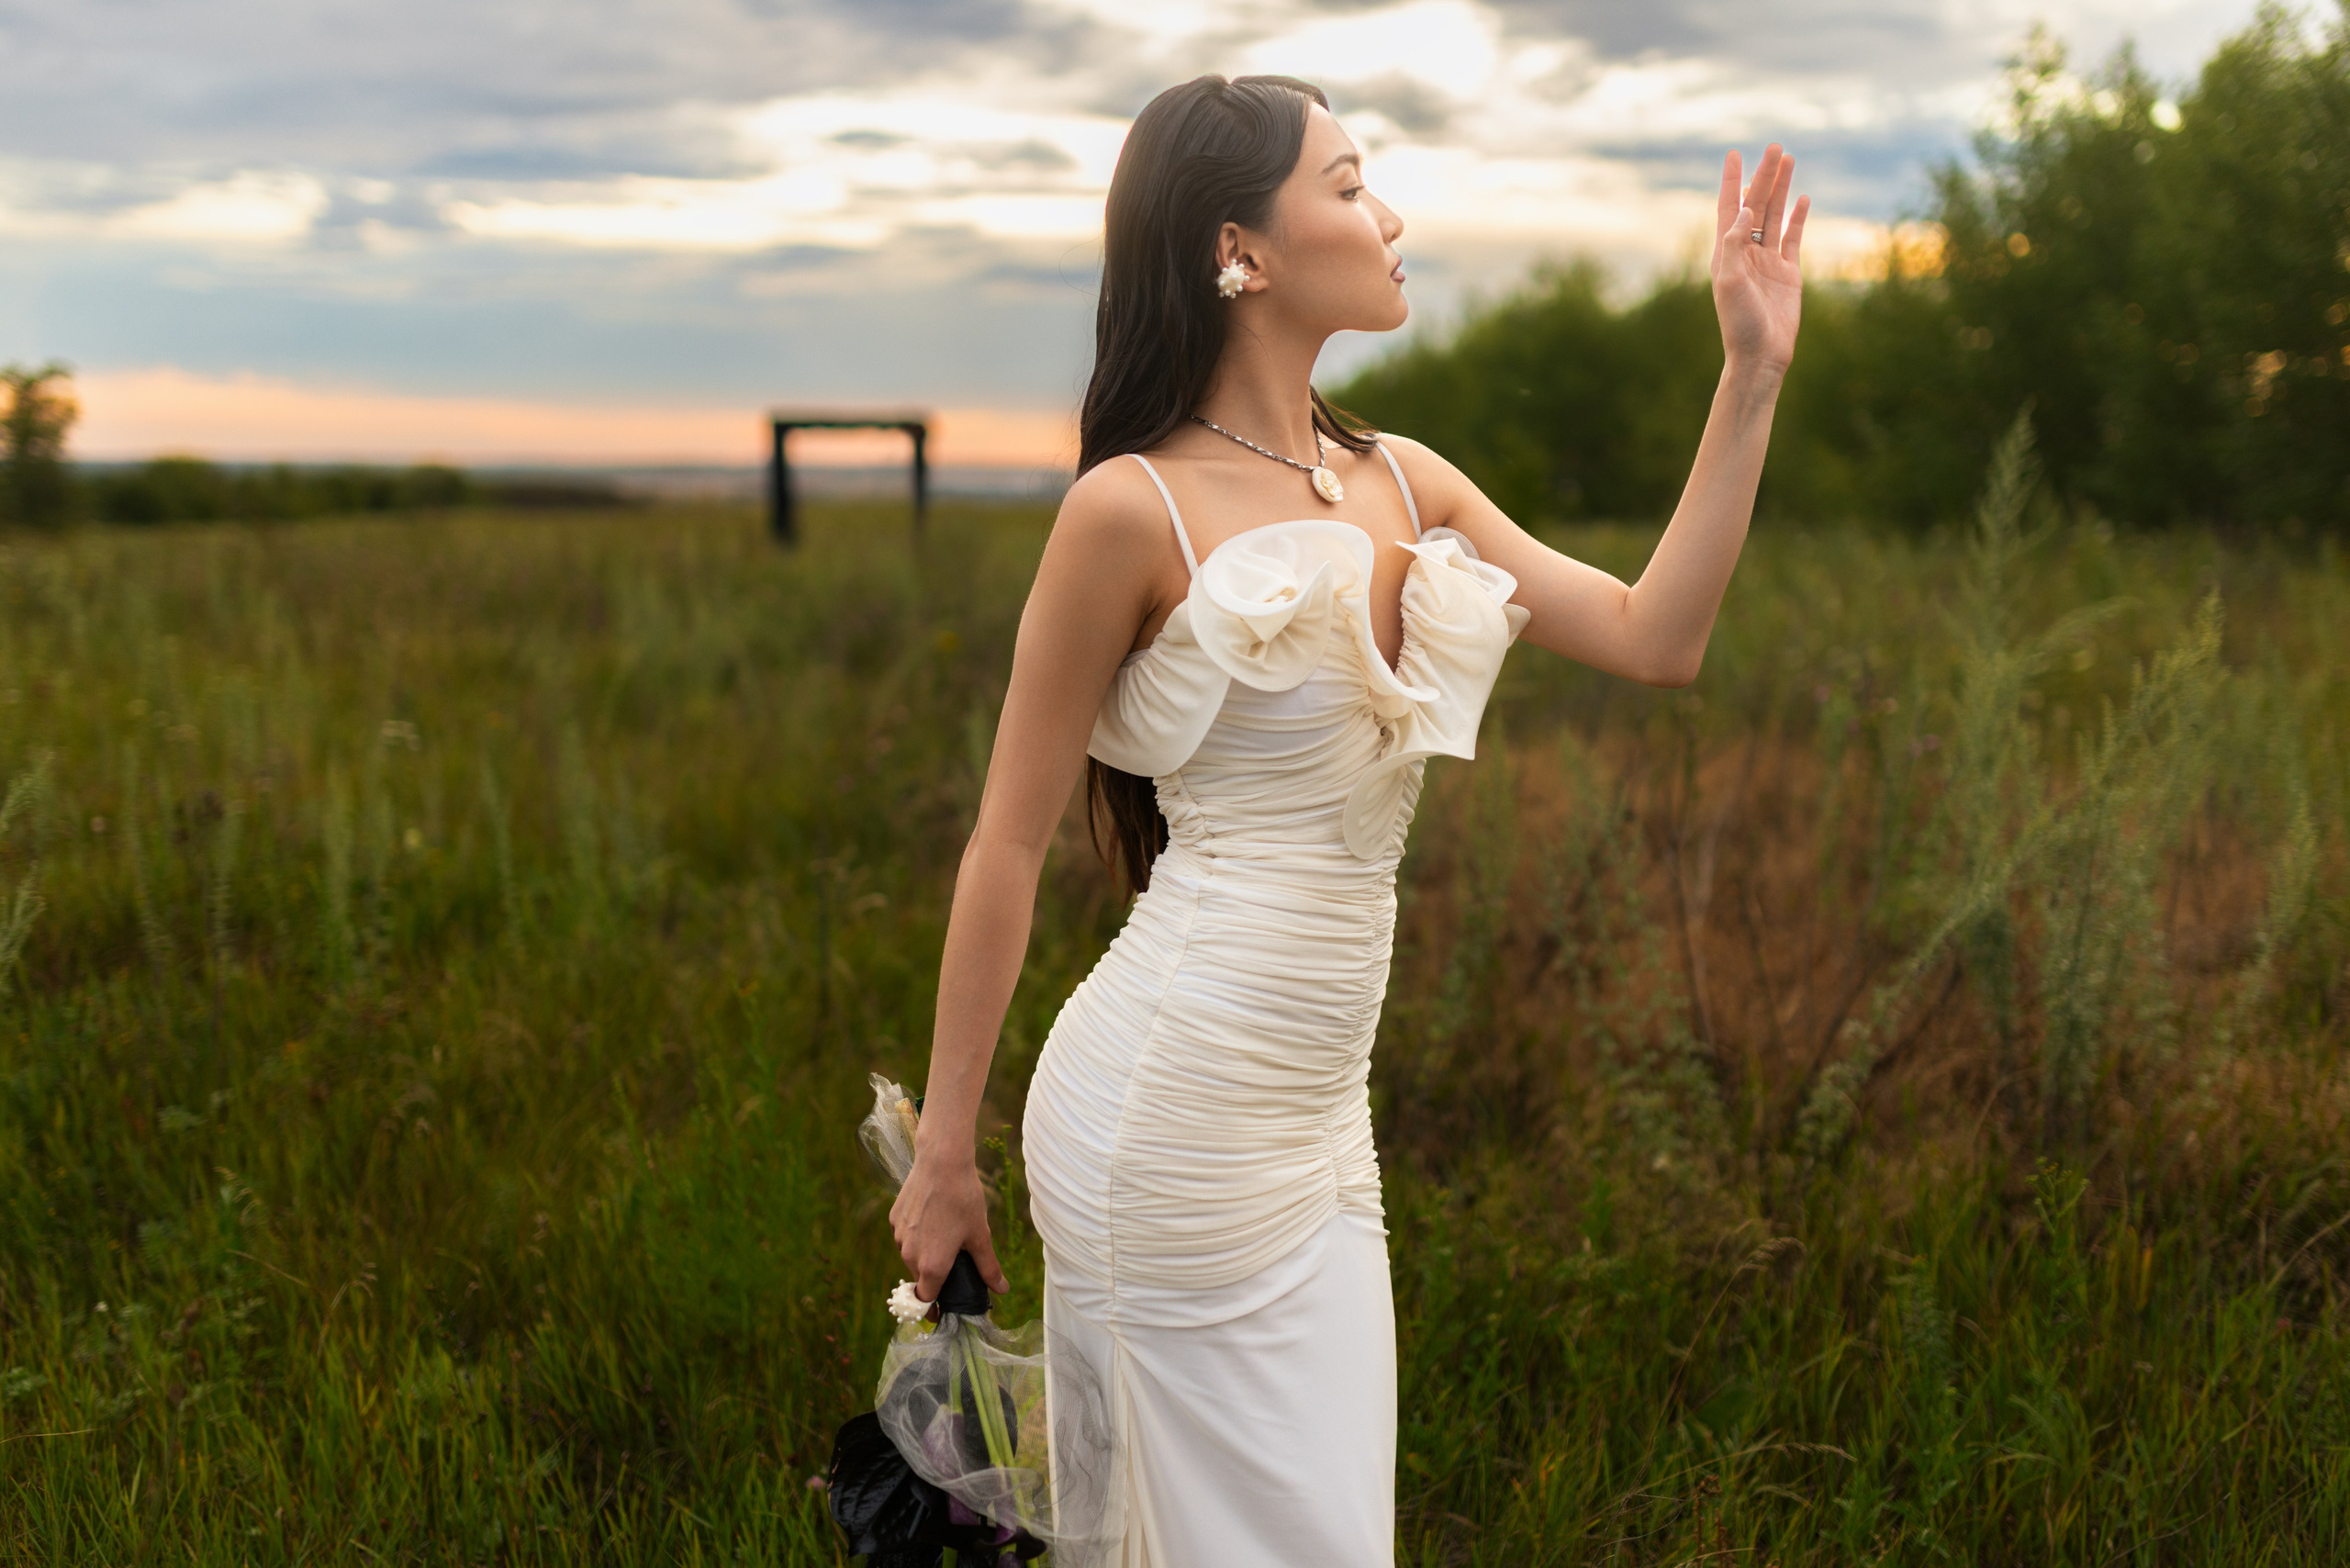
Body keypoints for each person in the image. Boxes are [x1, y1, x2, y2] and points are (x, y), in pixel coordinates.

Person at [888, 72, 1807, 1565]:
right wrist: (945, 1150)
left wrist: (1750, 374)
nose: (1391, 218)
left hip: (1323, 1132)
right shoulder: (1128, 511)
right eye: (1350, 183)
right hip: (1166, 1123)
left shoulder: (1405, 483)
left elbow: (1659, 636)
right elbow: (1006, 840)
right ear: (1238, 250)